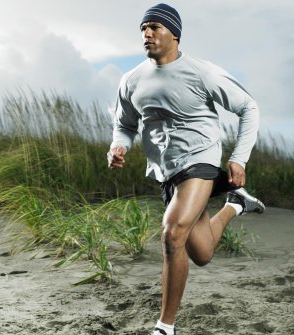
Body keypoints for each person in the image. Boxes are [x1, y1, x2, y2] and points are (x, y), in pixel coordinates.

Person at [106, 3, 266, 335]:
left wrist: (239, 158)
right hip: (167, 172)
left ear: (174, 33)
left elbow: (248, 107)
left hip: (201, 161)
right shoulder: (131, 80)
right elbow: (124, 126)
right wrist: (117, 146)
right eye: (143, 28)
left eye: (155, 27)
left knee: (172, 232)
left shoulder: (202, 72)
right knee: (202, 251)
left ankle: (165, 327)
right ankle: (236, 204)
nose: (147, 33)